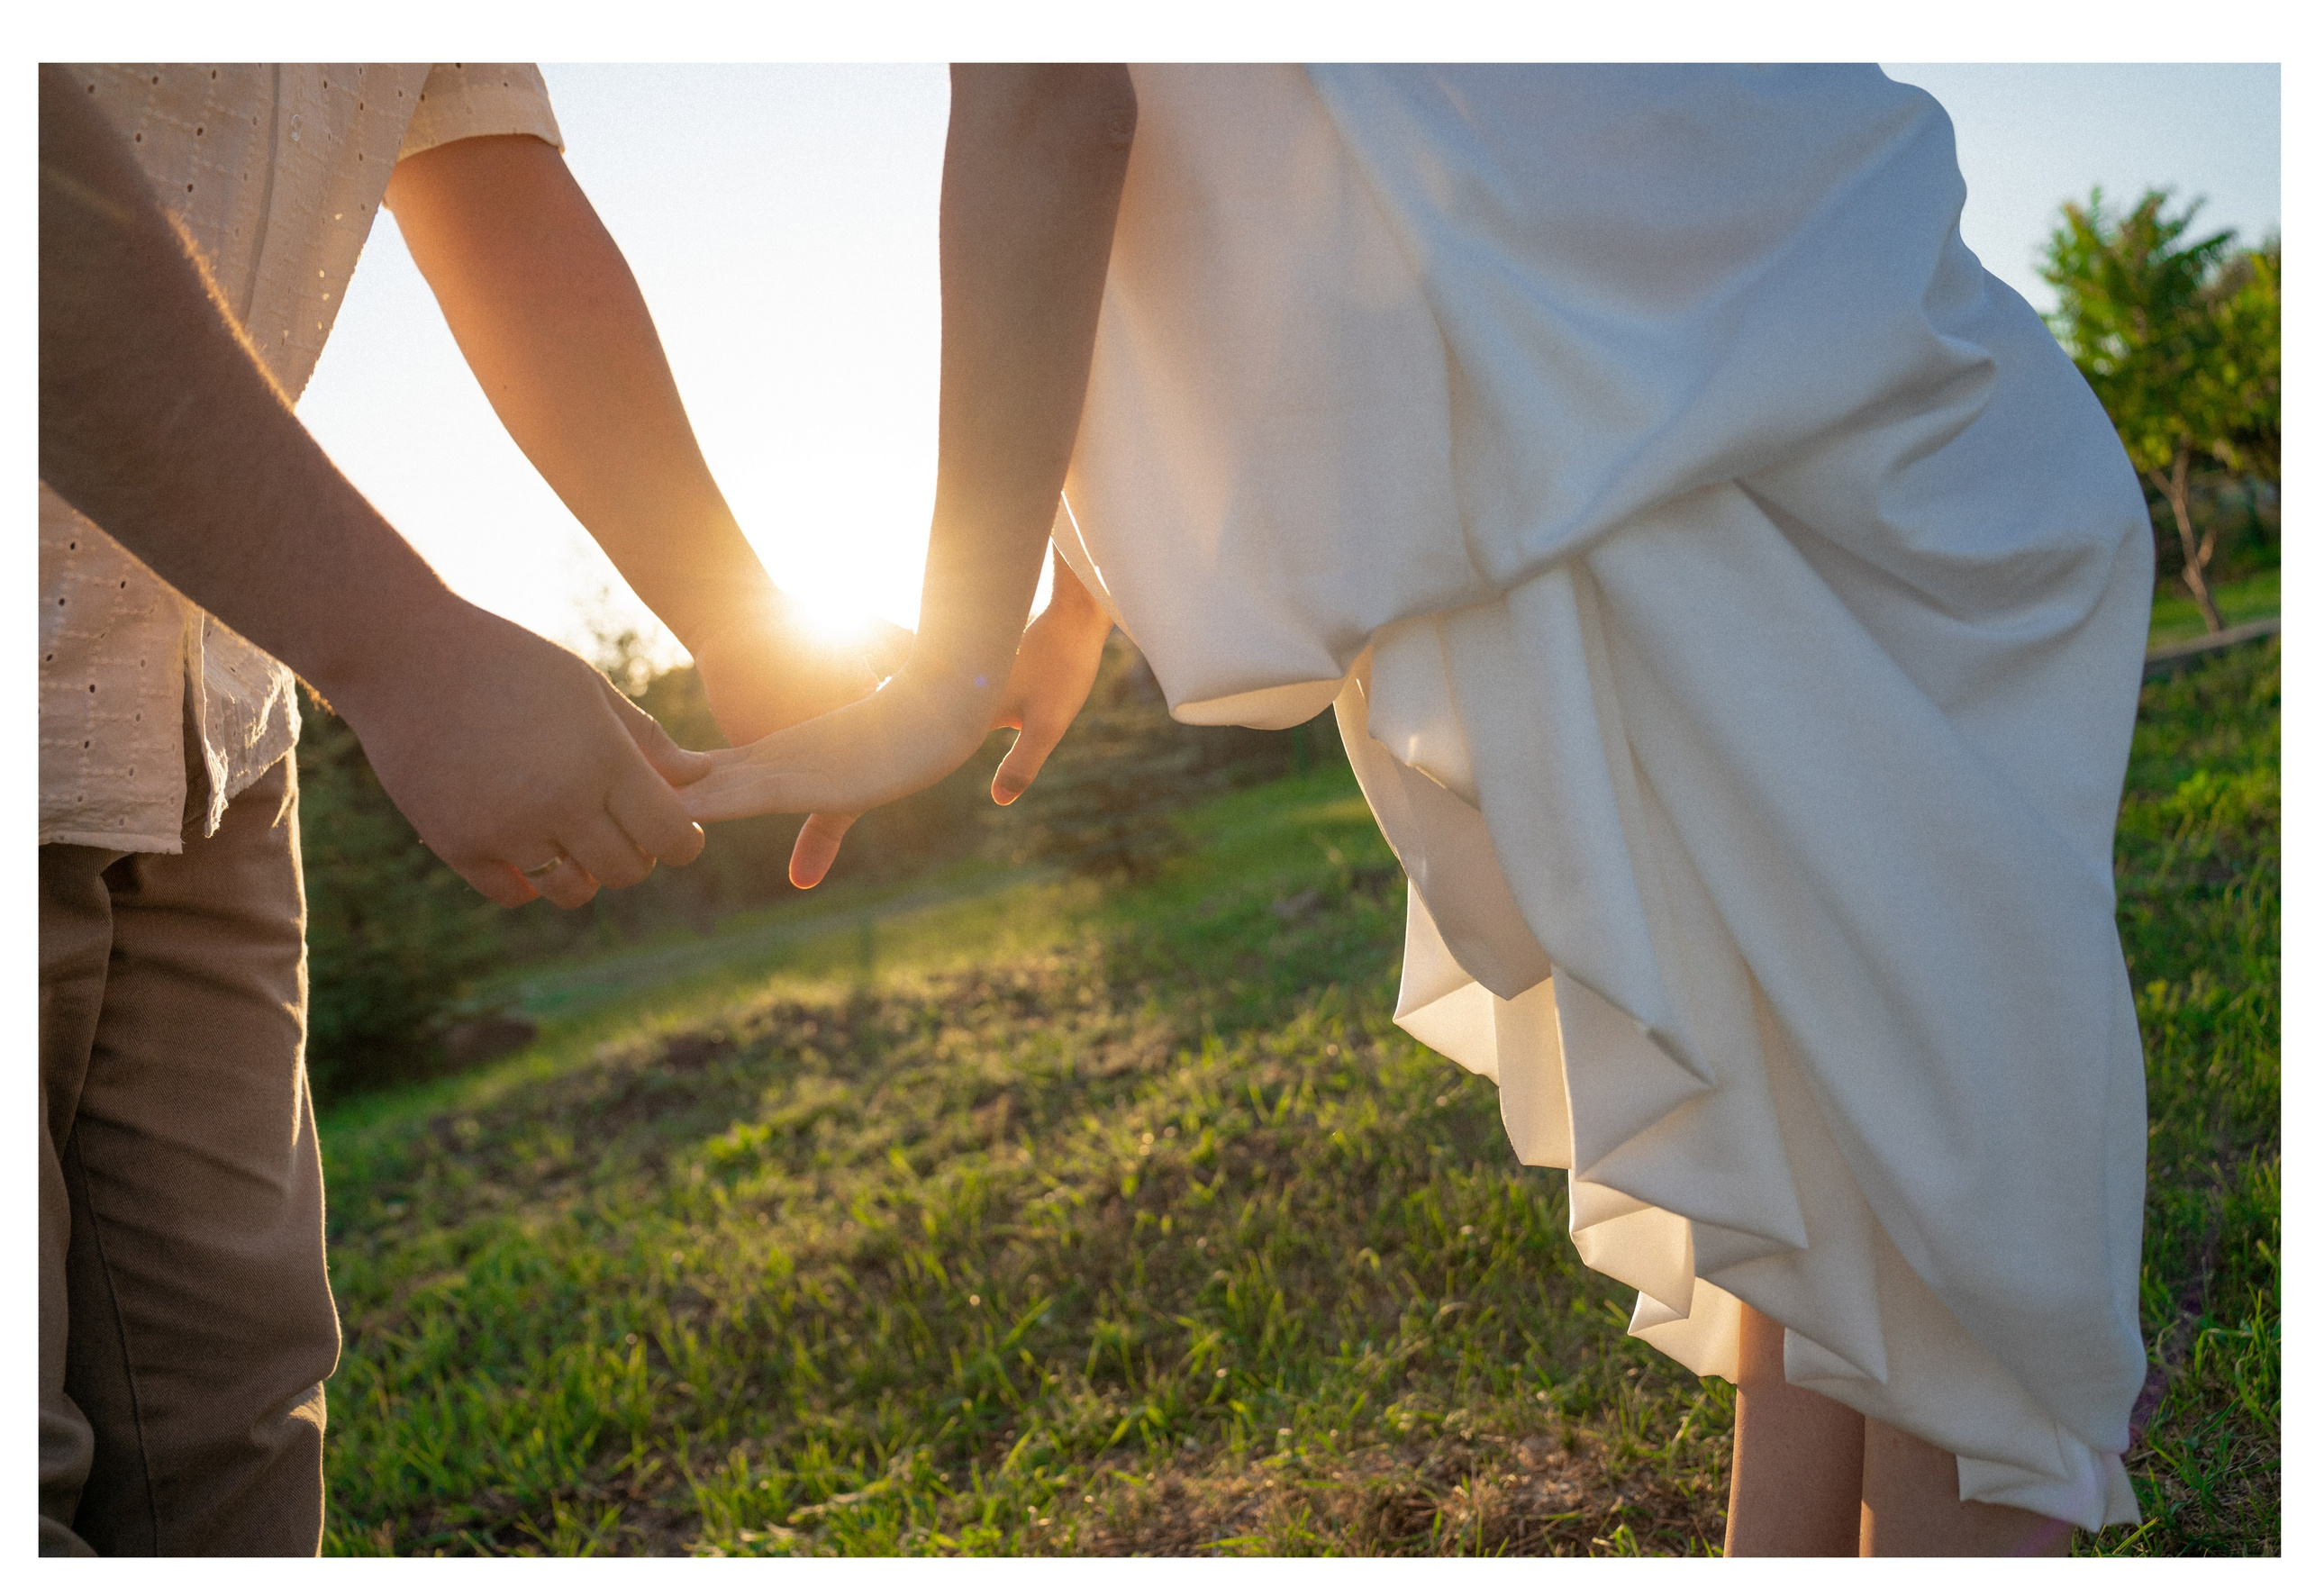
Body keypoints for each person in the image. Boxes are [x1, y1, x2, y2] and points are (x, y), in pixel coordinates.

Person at [682, 66, 2156, 1556]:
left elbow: (1059, 97)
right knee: (1949, 1158)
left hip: (1653, 334)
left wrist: (1060, 581)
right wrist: (980, 627)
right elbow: (1054, 95)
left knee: (1842, 1117)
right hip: (1619, 363)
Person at [37, 62, 881, 1555]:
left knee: (227, 1450)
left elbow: (497, 200)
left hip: (201, 737)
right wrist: (402, 648)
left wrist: (744, 625)